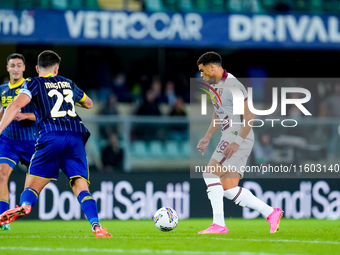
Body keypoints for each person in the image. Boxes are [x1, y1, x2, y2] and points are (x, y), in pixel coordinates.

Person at [0, 50, 111, 237]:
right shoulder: (68, 83)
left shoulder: (32, 82)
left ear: (36, 68)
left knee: (31, 187)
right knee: (81, 186)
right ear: (56, 69)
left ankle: (25, 206)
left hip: (50, 136)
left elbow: (16, 105)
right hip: (76, 136)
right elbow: (89, 103)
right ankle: (97, 226)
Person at [196, 52, 283, 234]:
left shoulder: (233, 85)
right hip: (231, 136)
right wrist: (208, 136)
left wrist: (236, 142)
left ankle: (219, 225)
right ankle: (271, 212)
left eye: (202, 71)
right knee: (228, 188)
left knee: (210, 174)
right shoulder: (215, 86)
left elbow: (250, 115)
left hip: (237, 135)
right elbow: (219, 112)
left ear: (212, 67)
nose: (201, 75)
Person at [0, 53, 37, 231]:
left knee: (41, 179)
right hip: (9, 142)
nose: (15, 69)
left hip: (31, 142)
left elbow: (43, 114)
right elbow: (2, 113)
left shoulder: (31, 86)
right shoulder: (2, 89)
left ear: (23, 68)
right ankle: (3, 219)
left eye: (19, 65)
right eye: (12, 65)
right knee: (1, 175)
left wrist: (25, 116)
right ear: (7, 68)